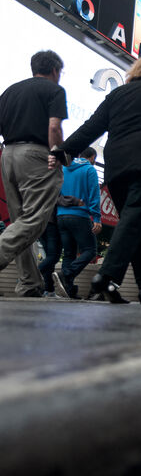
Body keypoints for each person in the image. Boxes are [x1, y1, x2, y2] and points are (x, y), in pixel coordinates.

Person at [55, 56, 141, 304]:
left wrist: (64, 150)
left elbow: (91, 127)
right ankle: (107, 276)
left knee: (133, 222)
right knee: (133, 219)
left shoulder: (116, 95)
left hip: (115, 167)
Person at [0, 50, 66, 296]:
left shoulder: (10, 91)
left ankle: (29, 282)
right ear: (55, 70)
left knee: (19, 221)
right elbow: (54, 127)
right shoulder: (54, 90)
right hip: (37, 156)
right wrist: (59, 154)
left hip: (7, 155)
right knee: (34, 220)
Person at [51, 147, 102, 299]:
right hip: (79, 215)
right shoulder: (89, 169)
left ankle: (68, 290)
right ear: (92, 157)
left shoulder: (64, 168)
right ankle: (66, 275)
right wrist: (96, 218)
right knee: (90, 250)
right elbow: (94, 194)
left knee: (69, 254)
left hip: (61, 216)